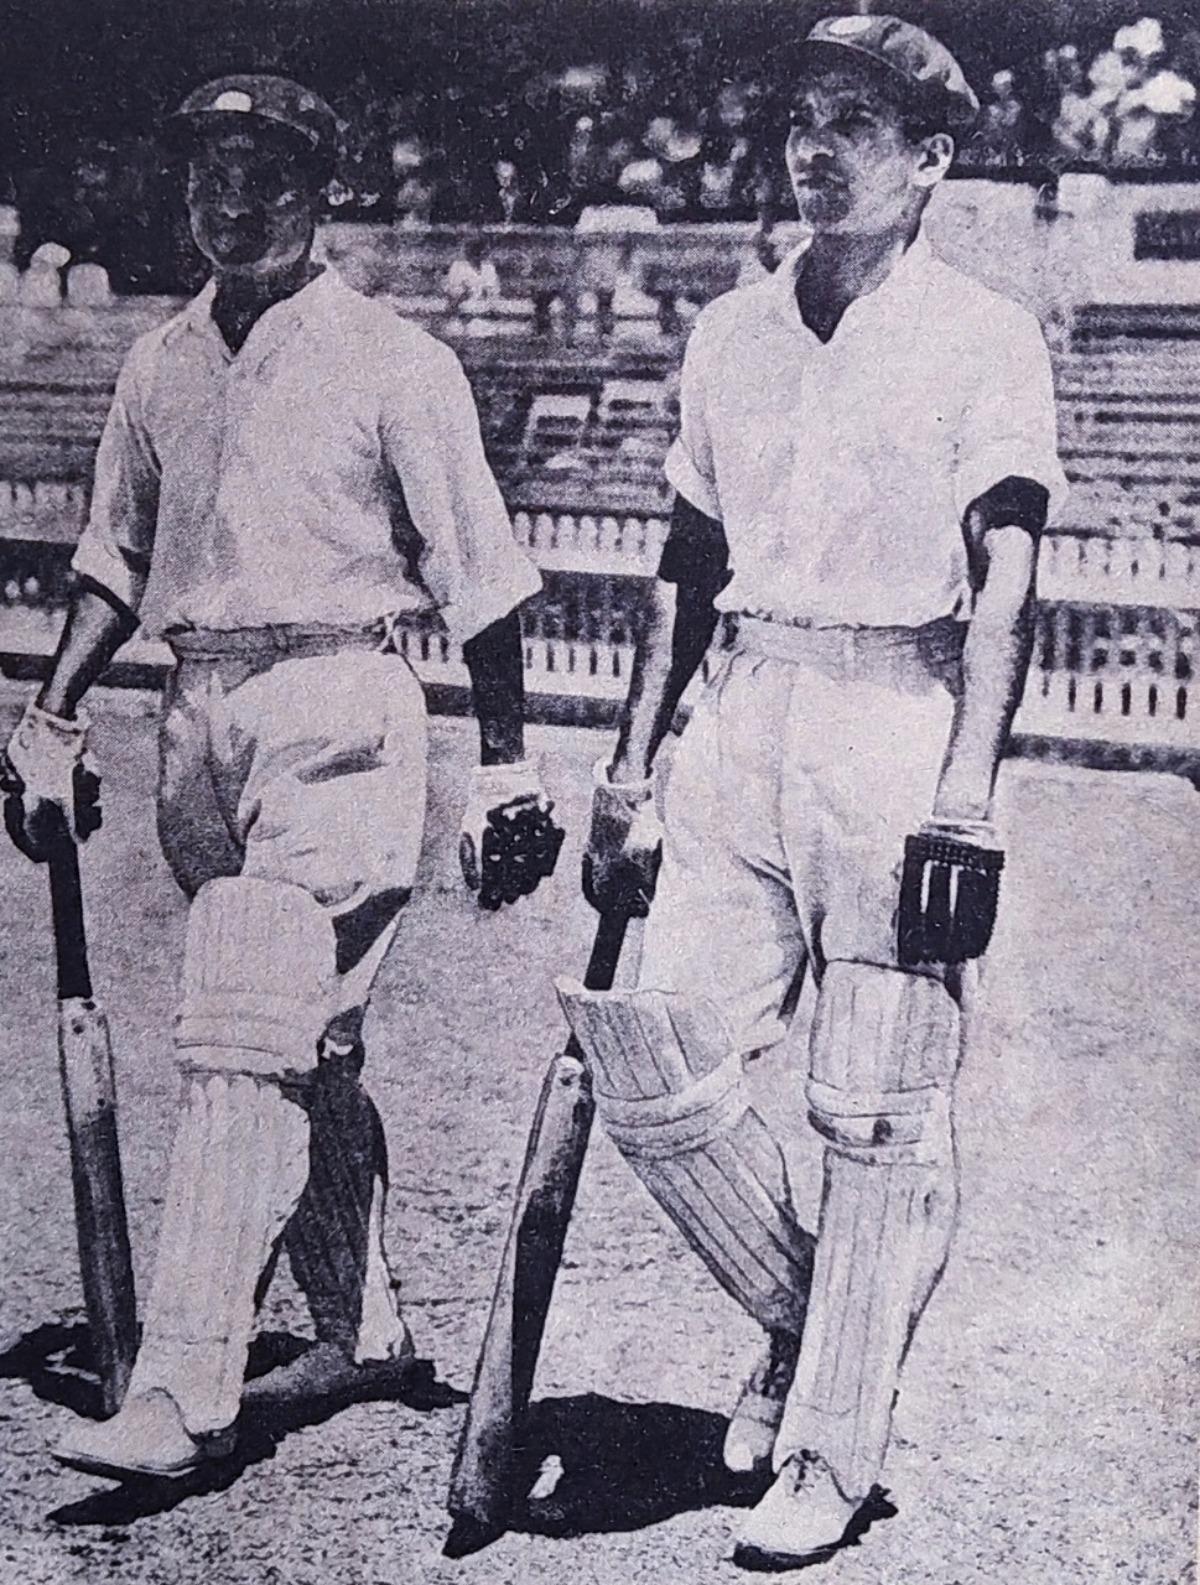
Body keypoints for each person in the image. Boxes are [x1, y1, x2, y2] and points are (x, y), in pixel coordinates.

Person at [1, 74, 561, 1480]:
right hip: (197, 713)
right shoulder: (159, 362)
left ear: (323, 189)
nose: (231, 201)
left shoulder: (393, 359)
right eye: (208, 173)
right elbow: (111, 563)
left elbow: (482, 587)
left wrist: (506, 768)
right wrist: (53, 711)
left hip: (343, 698)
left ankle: (185, 1386)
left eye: (263, 175)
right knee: (297, 1043)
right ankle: (362, 1323)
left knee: (245, 1000)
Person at [569, 15, 1066, 1569]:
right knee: (654, 1055)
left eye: (861, 119)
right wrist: (635, 761)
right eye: (806, 113)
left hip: (893, 708)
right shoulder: (730, 332)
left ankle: (833, 1446)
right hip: (744, 705)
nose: (819, 142)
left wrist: (967, 794)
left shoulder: (985, 332)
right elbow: (686, 563)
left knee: (875, 1101)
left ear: (930, 159)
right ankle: (809, 1314)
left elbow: (1009, 576)